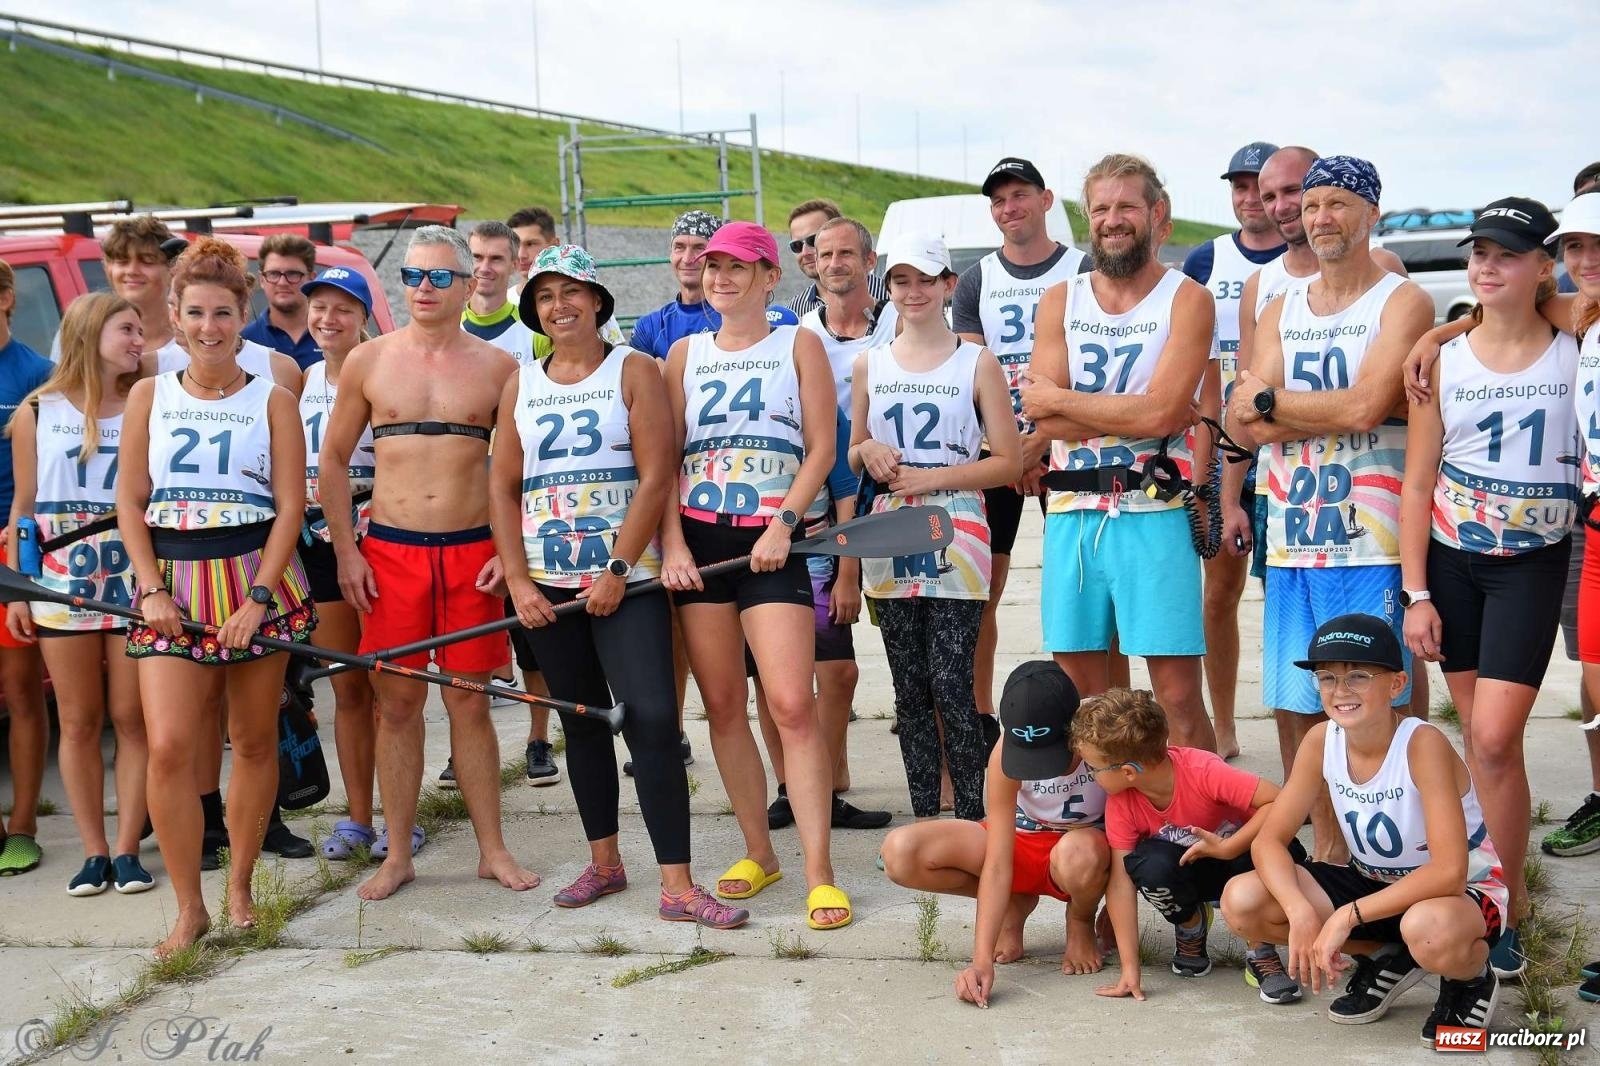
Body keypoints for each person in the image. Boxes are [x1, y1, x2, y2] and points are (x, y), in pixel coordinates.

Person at [489, 244, 747, 928]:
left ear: (599, 300)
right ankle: (604, 863)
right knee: (584, 726)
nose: (559, 306)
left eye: (572, 291)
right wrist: (517, 579)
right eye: (545, 296)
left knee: (653, 722)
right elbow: (502, 485)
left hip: (624, 583)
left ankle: (678, 885)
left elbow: (657, 473)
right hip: (548, 585)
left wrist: (617, 569)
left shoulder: (633, 369)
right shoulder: (521, 382)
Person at [318, 225, 538, 903]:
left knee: (469, 706)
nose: (424, 288)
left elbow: (518, 472)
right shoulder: (369, 362)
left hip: (471, 554)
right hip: (392, 555)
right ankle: (398, 853)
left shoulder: (500, 369)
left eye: (441, 277)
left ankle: (491, 850)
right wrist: (347, 551)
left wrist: (511, 551)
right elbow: (330, 461)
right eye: (413, 276)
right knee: (397, 706)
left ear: (468, 285)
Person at [1228, 156, 1434, 861]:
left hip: (1369, 536)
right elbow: (1240, 417)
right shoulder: (1282, 306)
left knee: (1386, 691)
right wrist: (1279, 411)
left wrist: (1271, 403)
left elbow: (1368, 404)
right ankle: (1329, 848)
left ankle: (1405, 836)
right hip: (1292, 532)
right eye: (1312, 205)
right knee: (1296, 695)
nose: (1320, 219)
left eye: (1337, 204)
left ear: (1371, 212)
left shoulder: (1399, 300)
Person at [116, 237, 317, 956]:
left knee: (254, 739)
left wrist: (258, 599)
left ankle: (239, 888)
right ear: (173, 313)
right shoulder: (149, 394)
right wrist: (149, 589)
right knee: (169, 747)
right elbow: (131, 502)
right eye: (195, 312)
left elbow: (291, 508)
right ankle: (187, 907)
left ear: (244, 314)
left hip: (252, 579)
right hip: (172, 583)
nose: (209, 327)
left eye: (223, 313)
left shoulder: (275, 398)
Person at [659, 220, 850, 929]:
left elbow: (823, 447)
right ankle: (759, 853)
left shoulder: (798, 343)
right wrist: (673, 546)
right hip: (702, 547)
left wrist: (785, 524)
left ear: (770, 277)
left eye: (738, 267)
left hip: (774, 543)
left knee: (791, 705)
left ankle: (820, 872)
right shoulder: (682, 354)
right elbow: (664, 462)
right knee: (720, 707)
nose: (720, 278)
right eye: (713, 267)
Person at [1398, 198, 1570, 980]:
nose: (1489, 265)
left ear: (1544, 264)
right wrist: (1415, 593)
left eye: (1509, 253)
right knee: (1481, 742)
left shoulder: (1579, 343)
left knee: (1496, 739)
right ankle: (1501, 900)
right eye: (1480, 254)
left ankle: (1501, 897)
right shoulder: (1443, 362)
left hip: (1532, 563)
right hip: (1451, 567)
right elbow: (1416, 479)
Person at [1221, 614, 1508, 1045]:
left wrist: (1345, 916)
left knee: (1428, 928)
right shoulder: (1322, 739)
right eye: (1327, 678)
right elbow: (1268, 840)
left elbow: (1449, 871)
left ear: (1396, 684)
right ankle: (1384, 956)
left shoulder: (1421, 743)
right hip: (1374, 883)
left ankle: (1469, 978)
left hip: (1459, 894)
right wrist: (1299, 910)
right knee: (1243, 901)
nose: (1340, 692)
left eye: (1358, 676)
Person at [1019, 153, 1218, 751]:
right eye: (1101, 208)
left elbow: (1162, 413)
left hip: (1153, 510)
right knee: (1087, 699)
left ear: (1157, 214)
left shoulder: (1188, 298)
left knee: (1177, 695)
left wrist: (1069, 401)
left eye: (1126, 206)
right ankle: (1111, 828)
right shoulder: (1061, 298)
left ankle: (1209, 823)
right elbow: (1039, 412)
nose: (1113, 219)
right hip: (1073, 513)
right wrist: (1134, 406)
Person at [850, 233, 1020, 821]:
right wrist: (868, 448)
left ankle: (975, 818)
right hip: (890, 530)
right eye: (901, 280)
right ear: (889, 288)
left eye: (926, 279)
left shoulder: (978, 362)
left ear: (949, 285)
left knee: (953, 683)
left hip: (959, 527)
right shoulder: (869, 362)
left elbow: (1009, 460)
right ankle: (926, 816)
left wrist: (933, 477)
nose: (913, 291)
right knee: (910, 688)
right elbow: (853, 453)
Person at [5, 292, 149, 894]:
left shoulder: (149, 405)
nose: (139, 341)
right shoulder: (38, 411)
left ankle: (127, 849)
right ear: (91, 334)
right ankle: (93, 852)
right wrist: (15, 590)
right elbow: (23, 506)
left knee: (131, 717)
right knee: (80, 721)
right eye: (128, 329)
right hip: (59, 584)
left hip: (132, 583)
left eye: (141, 331)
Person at [764, 215, 896, 833]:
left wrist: (848, 570)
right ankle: (796, 785)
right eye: (822, 252)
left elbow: (837, 462)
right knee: (777, 676)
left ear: (869, 260)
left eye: (847, 252)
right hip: (790, 525)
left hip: (865, 500)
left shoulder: (894, 318)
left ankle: (829, 775)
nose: (834, 261)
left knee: (843, 666)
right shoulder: (792, 339)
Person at [882, 661, 1110, 1007]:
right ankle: (1012, 906)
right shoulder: (1005, 750)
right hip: (1022, 840)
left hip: (1082, 852)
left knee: (1080, 854)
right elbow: (998, 860)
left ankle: (1079, 919)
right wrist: (981, 959)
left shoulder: (1105, 739)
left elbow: (1137, 830)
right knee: (900, 852)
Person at [953, 158, 1088, 721]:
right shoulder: (977, 278)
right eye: (998, 200)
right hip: (999, 453)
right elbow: (968, 375)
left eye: (1019, 195)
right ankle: (981, 717)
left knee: (1083, 596)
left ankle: (1094, 718)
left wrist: (1040, 441)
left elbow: (1093, 371)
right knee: (986, 591)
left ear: (1046, 198)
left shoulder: (1083, 268)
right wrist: (1013, 449)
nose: (1009, 208)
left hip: (1073, 444)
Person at [1075, 687, 1302, 1005]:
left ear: (1127, 772)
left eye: (1092, 768)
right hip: (1192, 869)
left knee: (1269, 849)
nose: (1090, 774)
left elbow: (1278, 800)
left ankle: (1260, 947)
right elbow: (1121, 883)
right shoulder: (1122, 804)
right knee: (1146, 865)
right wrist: (1130, 968)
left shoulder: (1202, 771)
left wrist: (1228, 846)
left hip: (1240, 860)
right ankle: (1191, 926)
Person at [1182, 142, 1286, 760]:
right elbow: (1201, 369)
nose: (1251, 200)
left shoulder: (1304, 261)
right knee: (1219, 595)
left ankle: (1298, 722)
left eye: (1261, 187)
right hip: (1221, 448)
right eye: (1240, 188)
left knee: (1283, 600)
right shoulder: (1207, 259)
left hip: (1283, 453)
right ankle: (1223, 725)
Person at [458, 220, 561, 787]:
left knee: (532, 642)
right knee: (471, 637)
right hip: (463, 510)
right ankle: (464, 744)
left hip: (524, 504)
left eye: (498, 258)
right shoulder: (446, 322)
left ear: (514, 263)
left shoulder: (533, 334)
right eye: (477, 257)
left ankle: (539, 739)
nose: (485, 268)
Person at [296, 267, 381, 861]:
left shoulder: (382, 367)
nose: (328, 319)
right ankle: (357, 818)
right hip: (316, 544)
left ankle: (401, 813)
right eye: (319, 307)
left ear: (364, 317)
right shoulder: (300, 378)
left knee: (391, 688)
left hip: (376, 536)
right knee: (347, 687)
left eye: (342, 309)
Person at [0, 259, 56, 877]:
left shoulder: (37, 376)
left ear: (7, 298)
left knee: (20, 691)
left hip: (9, 542)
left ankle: (22, 824)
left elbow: (39, 486)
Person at [629, 211, 799, 360]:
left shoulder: (740, 314)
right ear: (670, 254)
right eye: (679, 247)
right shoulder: (649, 325)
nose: (688, 259)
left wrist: (662, 369)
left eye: (698, 248)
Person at [784, 199, 887, 316]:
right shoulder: (796, 310)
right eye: (796, 246)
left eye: (813, 240)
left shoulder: (891, 295)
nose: (805, 252)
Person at [241, 234, 321, 370]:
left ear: (311, 278)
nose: (283, 282)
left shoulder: (333, 335)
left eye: (293, 274)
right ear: (261, 279)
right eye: (274, 274)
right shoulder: (245, 341)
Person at [507, 205, 561, 288]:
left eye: (530, 244)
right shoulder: (502, 300)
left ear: (554, 245)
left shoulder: (581, 297)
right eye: (515, 245)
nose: (521, 255)